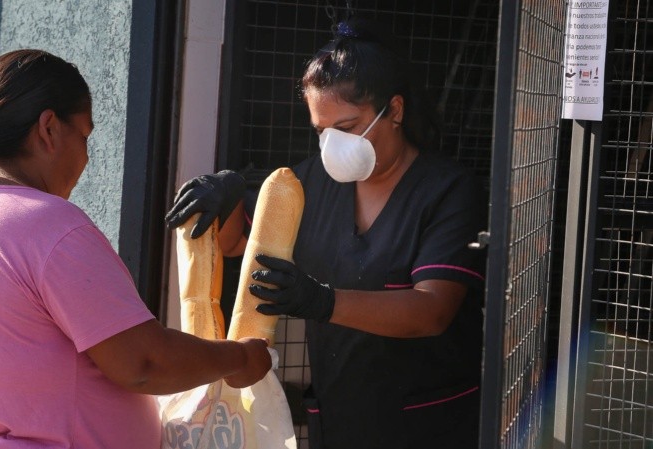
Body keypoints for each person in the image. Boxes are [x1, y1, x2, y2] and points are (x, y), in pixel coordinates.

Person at [0, 49, 271, 449]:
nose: (86, 157)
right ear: (49, 128)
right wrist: (239, 359)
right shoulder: (45, 223)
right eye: (84, 136)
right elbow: (142, 363)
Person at [165, 18, 488, 449]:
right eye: (321, 130)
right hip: (339, 422)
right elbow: (239, 245)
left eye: (348, 128)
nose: (332, 144)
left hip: (428, 424)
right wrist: (224, 202)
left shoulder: (448, 189)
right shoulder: (313, 182)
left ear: (394, 110)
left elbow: (431, 312)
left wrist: (322, 300)